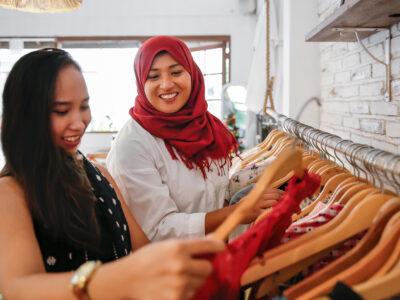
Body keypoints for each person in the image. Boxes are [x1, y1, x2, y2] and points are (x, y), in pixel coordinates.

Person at [0, 48, 226, 300]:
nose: (79, 122)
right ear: (26, 116)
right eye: (62, 111)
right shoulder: (10, 192)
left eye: (84, 106)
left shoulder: (100, 176)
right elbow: (19, 288)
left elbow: (141, 250)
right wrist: (118, 278)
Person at [106, 36, 284, 242]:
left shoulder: (208, 127)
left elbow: (215, 196)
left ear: (192, 73)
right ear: (140, 82)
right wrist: (236, 212)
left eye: (176, 72)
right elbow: (156, 230)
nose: (166, 84)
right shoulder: (132, 144)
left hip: (217, 253)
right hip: (172, 267)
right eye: (153, 77)